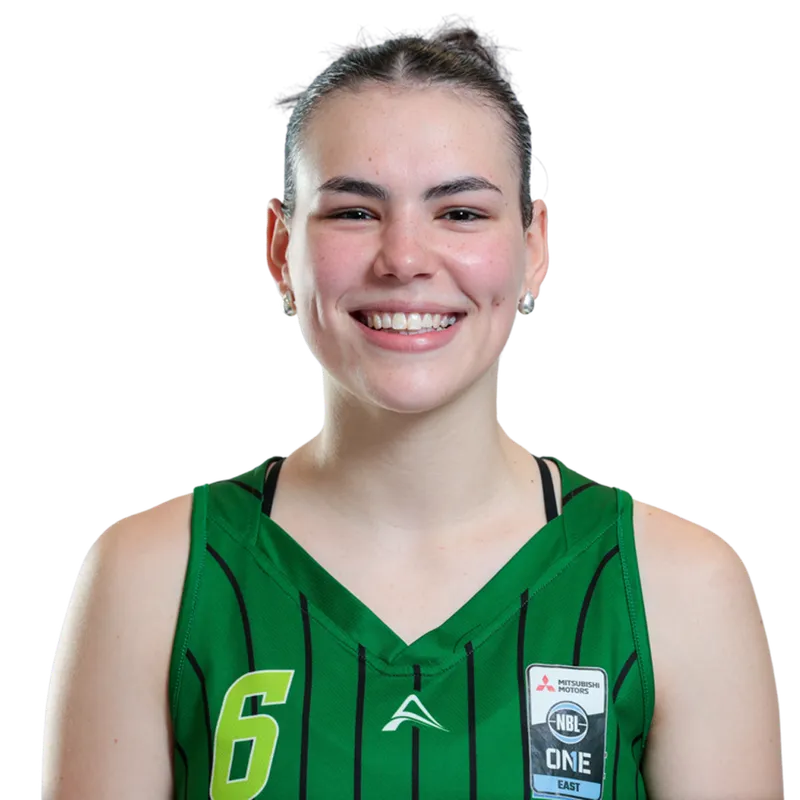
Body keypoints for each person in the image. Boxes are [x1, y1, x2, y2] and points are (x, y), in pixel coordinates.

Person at [42, 25, 782, 800]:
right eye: (354, 212)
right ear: (279, 247)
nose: (403, 258)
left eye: (460, 213)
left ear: (535, 244)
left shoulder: (677, 585)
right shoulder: (152, 576)